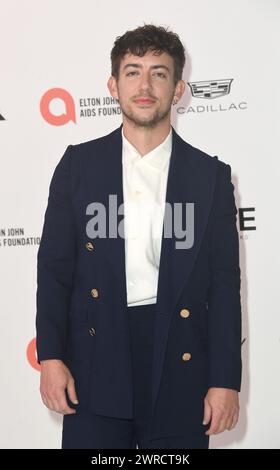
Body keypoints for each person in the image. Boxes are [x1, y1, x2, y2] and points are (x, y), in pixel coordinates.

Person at [36, 24, 242, 449]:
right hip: (95, 355)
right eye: (132, 72)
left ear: (179, 88)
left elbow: (224, 286)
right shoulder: (78, 167)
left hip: (180, 358)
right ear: (113, 85)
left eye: (159, 73)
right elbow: (55, 270)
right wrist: (51, 358)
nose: (145, 85)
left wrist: (224, 380)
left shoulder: (211, 177)